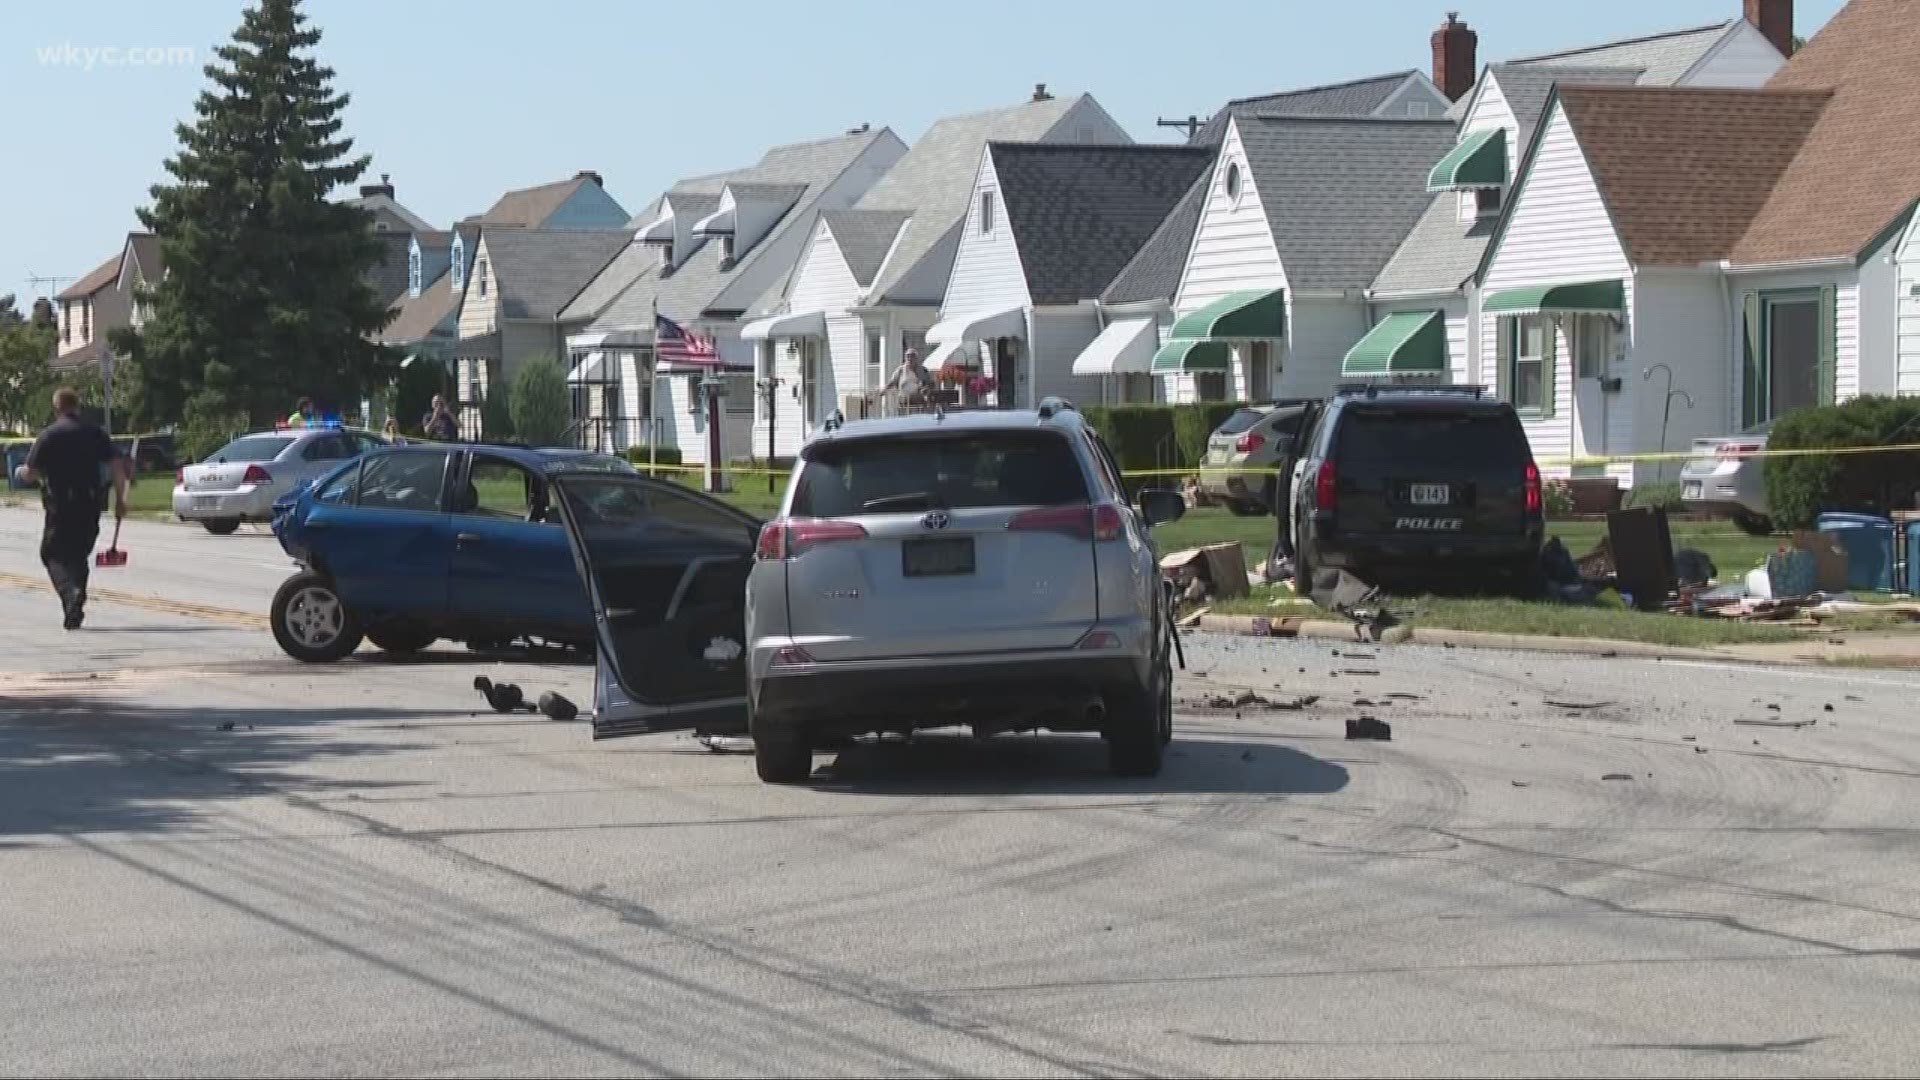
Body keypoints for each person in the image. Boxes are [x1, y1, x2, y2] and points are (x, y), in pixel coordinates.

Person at [15, 388, 128, 629]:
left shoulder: (49, 435)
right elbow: (117, 465)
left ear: (56, 409)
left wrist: (22, 473)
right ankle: (74, 606)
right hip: (90, 503)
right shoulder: (95, 433)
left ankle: (71, 594)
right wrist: (120, 500)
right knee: (77, 555)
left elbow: (31, 472)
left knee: (52, 554)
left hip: (61, 506)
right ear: (78, 406)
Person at [871, 348, 936, 414]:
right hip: (903, 405)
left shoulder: (923, 370)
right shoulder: (900, 370)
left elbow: (931, 384)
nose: (909, 358)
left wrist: (927, 389)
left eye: (912, 356)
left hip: (919, 405)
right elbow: (892, 382)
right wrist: (884, 390)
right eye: (907, 356)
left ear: (916, 358)